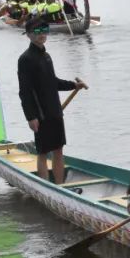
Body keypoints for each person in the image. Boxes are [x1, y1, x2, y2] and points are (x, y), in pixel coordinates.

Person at [17, 17, 88, 185]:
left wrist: (73, 85)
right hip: (40, 114)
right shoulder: (25, 59)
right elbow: (24, 92)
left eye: (44, 30)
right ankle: (45, 187)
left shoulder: (46, 56)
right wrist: (31, 117)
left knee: (58, 149)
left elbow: (53, 82)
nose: (41, 35)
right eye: (37, 32)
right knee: (42, 152)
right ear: (28, 35)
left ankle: (59, 185)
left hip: (55, 110)